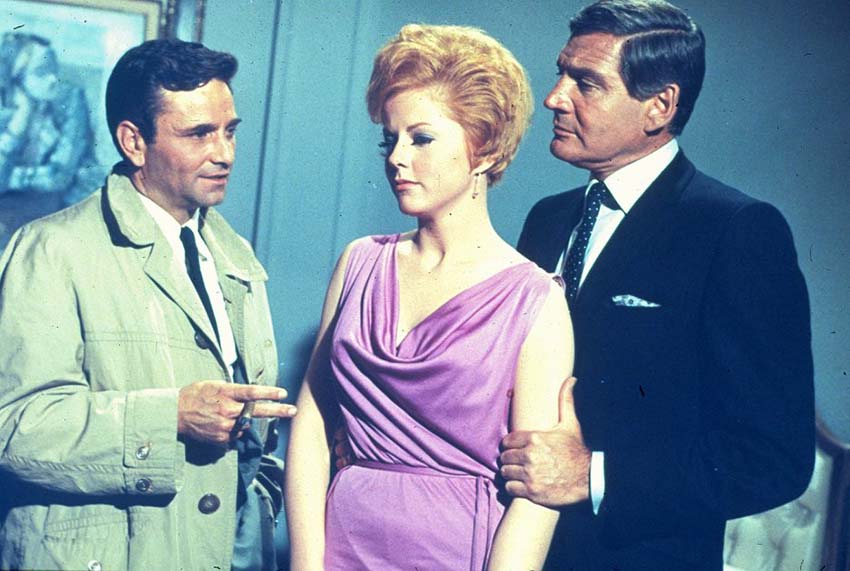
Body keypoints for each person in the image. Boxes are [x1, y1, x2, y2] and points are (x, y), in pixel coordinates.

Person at [499, 1, 815, 569]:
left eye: (585, 83)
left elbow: (772, 458)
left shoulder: (736, 230)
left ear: (659, 106)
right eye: (561, 73)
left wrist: (593, 475)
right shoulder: (547, 218)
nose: (554, 98)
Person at [0, 39, 295, 571]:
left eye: (229, 131)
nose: (225, 154)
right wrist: (171, 417)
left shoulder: (234, 256)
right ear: (134, 142)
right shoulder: (51, 249)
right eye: (199, 134)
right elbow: (15, 428)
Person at [285, 24, 572, 570]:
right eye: (389, 139)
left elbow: (535, 496)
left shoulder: (534, 300)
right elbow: (312, 427)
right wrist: (305, 564)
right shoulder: (360, 261)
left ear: (485, 148)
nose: (396, 157)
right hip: (341, 545)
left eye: (420, 139)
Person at [0, 32, 101, 247]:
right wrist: (19, 124)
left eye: (54, 69)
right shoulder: (6, 111)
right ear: (16, 77)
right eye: (41, 72)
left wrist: (10, 178)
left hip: (61, 216)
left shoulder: (71, 103)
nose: (53, 79)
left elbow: (58, 176)